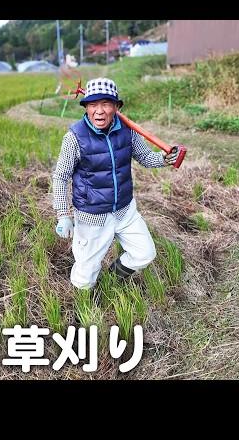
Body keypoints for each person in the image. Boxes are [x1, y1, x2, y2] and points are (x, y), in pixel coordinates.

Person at [52, 77, 180, 290]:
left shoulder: (128, 131)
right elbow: (60, 176)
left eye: (105, 104)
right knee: (84, 278)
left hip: (125, 210)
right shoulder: (74, 137)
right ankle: (84, 304)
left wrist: (164, 159)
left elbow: (146, 157)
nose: (99, 111)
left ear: (117, 107)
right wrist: (63, 214)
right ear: (86, 107)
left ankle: (111, 280)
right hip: (92, 215)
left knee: (145, 253)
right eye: (93, 105)